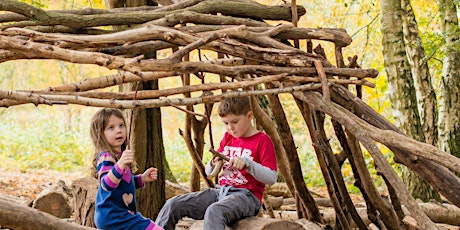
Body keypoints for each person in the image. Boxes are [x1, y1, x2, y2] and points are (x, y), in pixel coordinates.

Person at [155, 96, 278, 230]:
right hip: (220, 193)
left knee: (215, 211)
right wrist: (214, 163)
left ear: (249, 116)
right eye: (225, 123)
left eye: (235, 122)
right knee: (173, 204)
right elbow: (209, 173)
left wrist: (248, 164)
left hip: (247, 197)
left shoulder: (262, 140)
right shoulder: (228, 138)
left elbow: (271, 178)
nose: (230, 127)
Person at [90, 108, 163, 230]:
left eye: (121, 125)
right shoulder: (106, 157)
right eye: (111, 128)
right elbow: (107, 185)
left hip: (122, 215)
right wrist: (120, 164)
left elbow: (122, 184)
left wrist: (141, 178)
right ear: (100, 134)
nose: (118, 131)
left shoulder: (120, 156)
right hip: (113, 216)